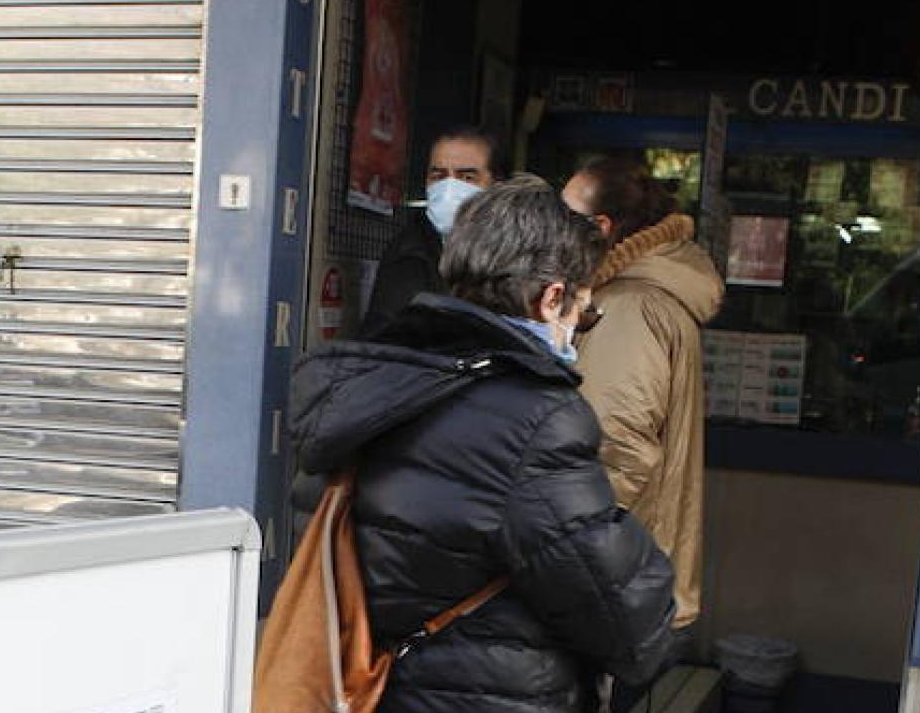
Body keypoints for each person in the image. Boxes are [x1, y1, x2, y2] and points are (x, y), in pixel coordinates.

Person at [290, 175, 677, 713]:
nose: (579, 330)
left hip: (370, 685)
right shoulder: (533, 419)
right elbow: (624, 617)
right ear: (552, 299)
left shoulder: (373, 378)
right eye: (585, 314)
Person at [562, 156, 724, 711]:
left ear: (602, 228)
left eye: (566, 216)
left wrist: (557, 564)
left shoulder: (629, 307)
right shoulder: (649, 297)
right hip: (634, 575)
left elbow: (610, 452)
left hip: (609, 582)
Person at [356, 125, 500, 339]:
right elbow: (384, 339)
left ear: (496, 186)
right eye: (439, 176)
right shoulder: (408, 253)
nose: (450, 188)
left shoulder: (516, 255)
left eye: (467, 177)